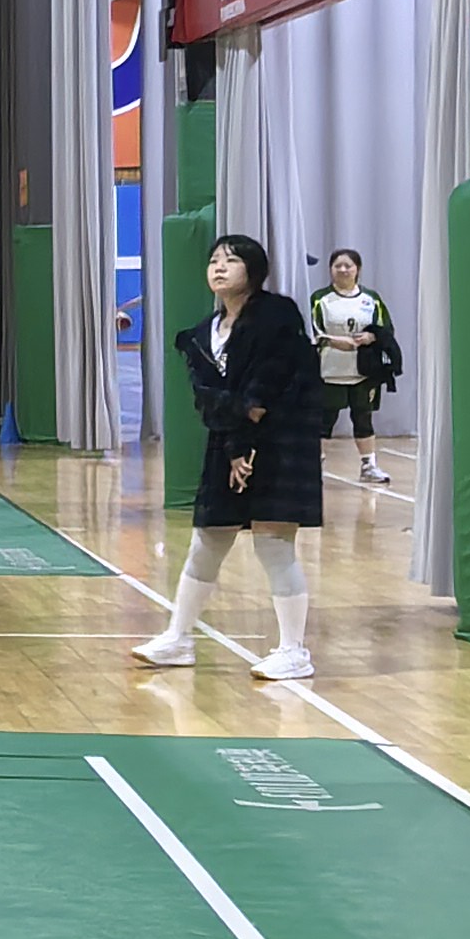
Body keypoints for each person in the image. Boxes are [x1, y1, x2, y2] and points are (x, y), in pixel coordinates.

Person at [139, 235, 325, 680]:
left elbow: (263, 392)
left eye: (231, 260)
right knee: (208, 539)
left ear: (254, 270)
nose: (219, 267)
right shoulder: (201, 334)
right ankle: (178, 639)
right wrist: (235, 446)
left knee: (274, 543)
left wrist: (246, 441)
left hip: (280, 445)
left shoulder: (278, 317)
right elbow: (207, 398)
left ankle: (294, 651)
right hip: (227, 444)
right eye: (214, 261)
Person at [308, 250, 400, 486]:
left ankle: (369, 465)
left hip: (363, 372)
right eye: (337, 266)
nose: (343, 270)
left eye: (348, 266)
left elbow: (385, 329)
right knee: (323, 422)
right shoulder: (320, 299)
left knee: (363, 419)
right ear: (330, 269)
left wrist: (371, 337)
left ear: (358, 269)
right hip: (329, 372)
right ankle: (314, 465)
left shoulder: (371, 299)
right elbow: (311, 331)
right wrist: (331, 341)